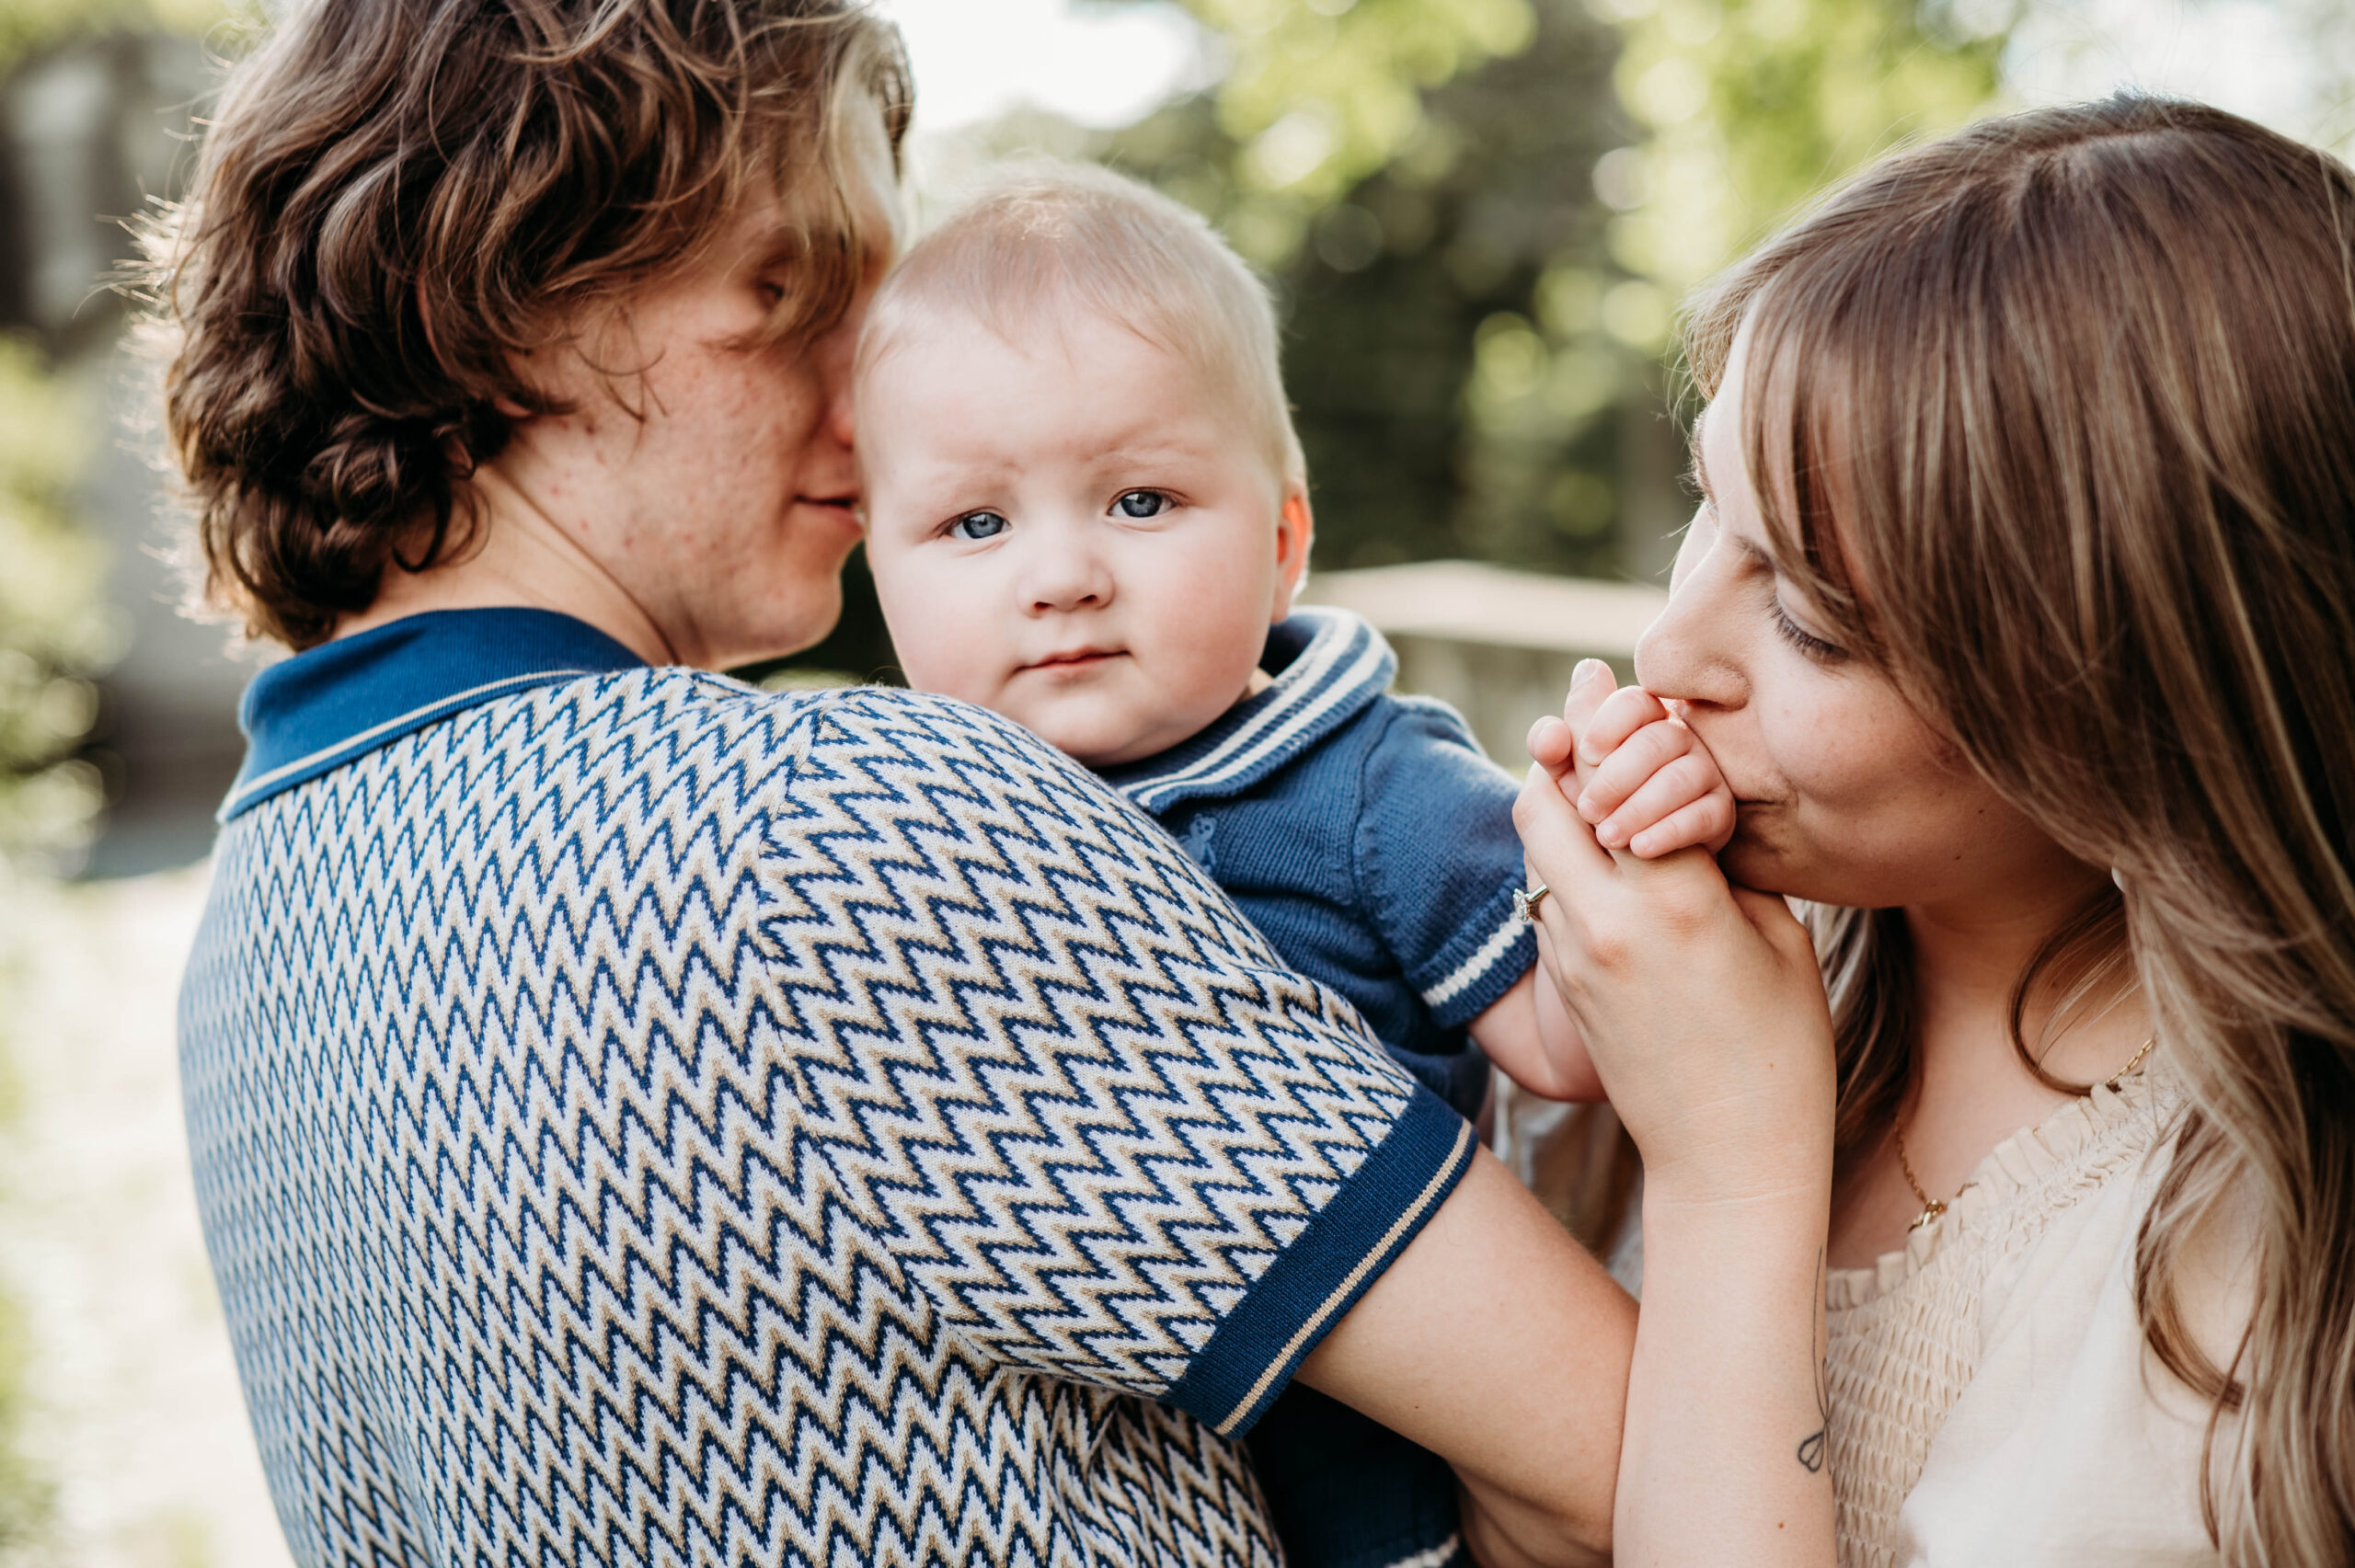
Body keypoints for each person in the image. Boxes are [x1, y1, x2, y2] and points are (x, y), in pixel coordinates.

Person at [152, 4, 1641, 1565]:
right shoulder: (837, 827)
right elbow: (1618, 1464)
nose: (876, 413)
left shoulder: (248, 924)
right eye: (787, 290)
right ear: (513, 302)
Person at [851, 164, 1733, 1568]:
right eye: (976, 524)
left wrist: (1624, 834)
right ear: (878, 569)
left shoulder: (1362, 782)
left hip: (1366, 1498)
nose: (1063, 573)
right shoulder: (878, 828)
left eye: (1140, 501)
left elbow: (1567, 1045)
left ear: (1283, 542)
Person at [1513, 95, 2355, 1566]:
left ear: (2124, 700)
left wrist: (1729, 1172)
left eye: (1808, 622)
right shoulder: (1679, 960)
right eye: (1706, 517)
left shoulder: (2234, 1294)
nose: (1668, 652)